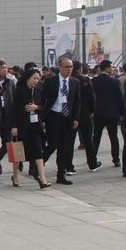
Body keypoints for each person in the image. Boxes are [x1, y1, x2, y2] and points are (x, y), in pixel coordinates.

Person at [9, 68, 51, 189]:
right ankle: (15, 176)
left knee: (38, 150)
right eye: (34, 78)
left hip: (35, 125)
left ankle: (42, 178)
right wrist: (13, 126)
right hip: (21, 126)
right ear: (28, 78)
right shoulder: (19, 90)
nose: (36, 81)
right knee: (18, 153)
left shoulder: (39, 90)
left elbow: (44, 106)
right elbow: (14, 109)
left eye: (38, 78)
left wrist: (36, 107)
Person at [41, 57, 81, 185]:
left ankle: (61, 175)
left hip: (67, 117)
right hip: (53, 116)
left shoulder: (75, 82)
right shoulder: (50, 81)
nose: (69, 69)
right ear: (60, 68)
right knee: (52, 145)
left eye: (71, 67)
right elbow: (42, 98)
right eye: (66, 67)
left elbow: (77, 102)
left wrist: (75, 118)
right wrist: (41, 116)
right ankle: (39, 163)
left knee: (64, 147)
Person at [92, 60, 123, 167]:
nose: (113, 69)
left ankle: (92, 157)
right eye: (112, 67)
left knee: (96, 136)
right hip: (112, 113)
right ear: (107, 68)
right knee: (113, 137)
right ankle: (116, 159)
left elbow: (91, 97)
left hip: (98, 112)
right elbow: (120, 98)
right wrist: (122, 112)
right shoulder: (114, 81)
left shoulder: (94, 81)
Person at [72, 61, 101, 172]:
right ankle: (92, 164)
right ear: (80, 69)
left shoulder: (67, 80)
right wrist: (92, 111)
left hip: (71, 115)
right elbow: (92, 97)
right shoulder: (85, 80)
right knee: (88, 140)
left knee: (69, 141)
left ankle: (68, 166)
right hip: (85, 113)